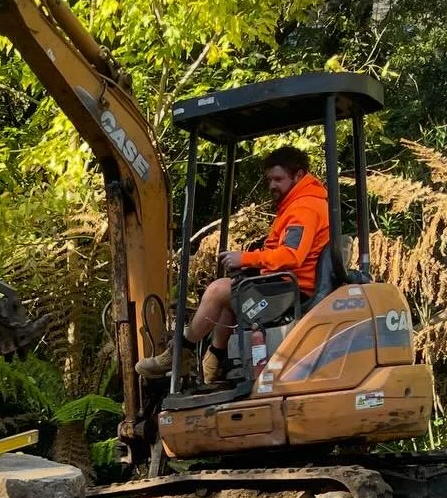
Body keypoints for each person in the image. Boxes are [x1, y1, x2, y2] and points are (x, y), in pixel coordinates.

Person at [138, 145, 332, 387]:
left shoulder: (304, 208)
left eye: (279, 179)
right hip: (283, 283)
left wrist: (246, 259)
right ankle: (214, 365)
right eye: (269, 179)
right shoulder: (298, 204)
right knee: (231, 297)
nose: (272, 185)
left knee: (219, 290)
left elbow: (292, 255)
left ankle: (179, 353)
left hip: (289, 291)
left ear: (299, 176)